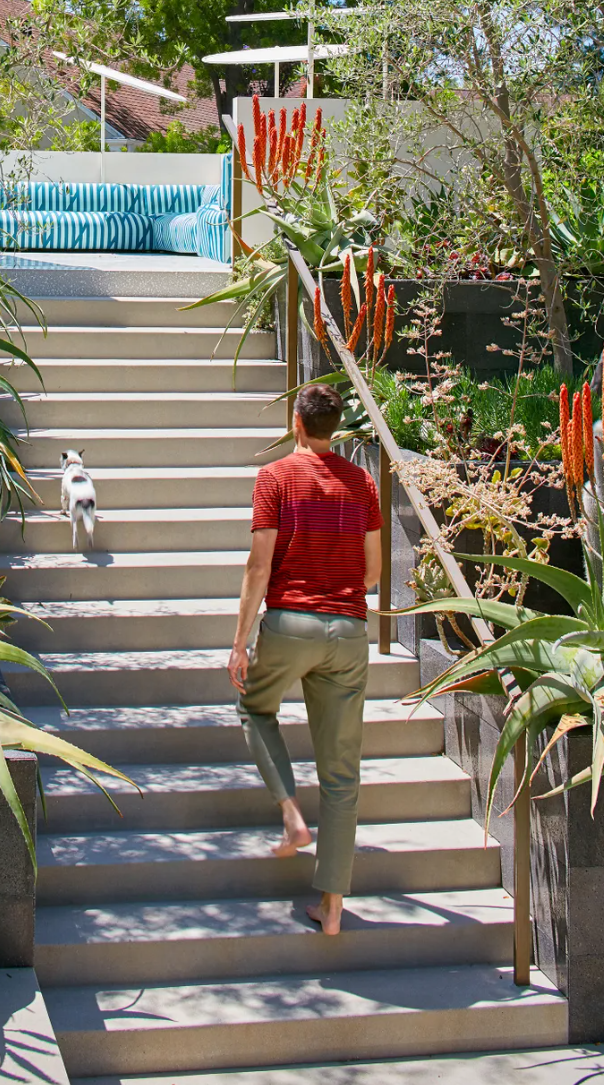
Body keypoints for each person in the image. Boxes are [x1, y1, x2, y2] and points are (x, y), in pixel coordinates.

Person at [226, 382, 382, 937]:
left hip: (290, 623)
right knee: (342, 776)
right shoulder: (361, 482)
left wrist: (241, 639)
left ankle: (291, 815)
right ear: (334, 427)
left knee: (255, 706)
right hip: (348, 631)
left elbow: (258, 565)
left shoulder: (274, 478)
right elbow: (372, 575)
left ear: (297, 423)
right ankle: (333, 906)